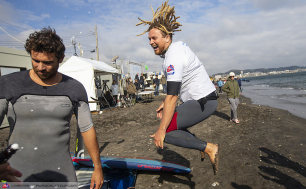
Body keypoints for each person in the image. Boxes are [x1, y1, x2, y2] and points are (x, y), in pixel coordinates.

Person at [0, 27, 103, 187]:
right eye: (35, 60)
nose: (40, 67)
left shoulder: (74, 88)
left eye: (48, 62)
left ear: (61, 58)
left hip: (62, 174)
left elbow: (87, 128)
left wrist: (98, 167)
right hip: (19, 175)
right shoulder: (9, 84)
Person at [136, 0, 219, 175]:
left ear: (167, 37)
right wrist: (165, 104)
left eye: (154, 38)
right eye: (149, 39)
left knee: (166, 131)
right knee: (168, 123)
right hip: (202, 99)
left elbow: (172, 96)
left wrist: (160, 130)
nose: (151, 42)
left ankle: (209, 148)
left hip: (203, 101)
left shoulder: (173, 56)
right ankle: (202, 146)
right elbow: (175, 91)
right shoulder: (176, 49)